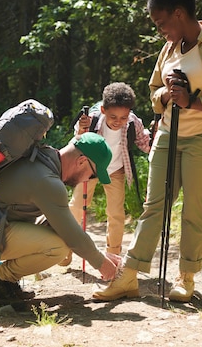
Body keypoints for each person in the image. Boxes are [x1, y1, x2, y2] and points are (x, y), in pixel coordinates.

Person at [92, 0, 202, 302]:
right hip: (167, 134)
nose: (160, 30)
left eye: (161, 22)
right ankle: (128, 277)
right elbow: (152, 93)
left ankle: (186, 278)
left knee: (194, 209)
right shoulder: (169, 48)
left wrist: (193, 101)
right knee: (154, 206)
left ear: (179, 13)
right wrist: (166, 93)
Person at [0, 132, 121, 308]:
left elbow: (63, 226)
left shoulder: (43, 158)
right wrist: (102, 264)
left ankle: (4, 279)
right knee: (57, 248)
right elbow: (72, 237)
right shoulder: (47, 181)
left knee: (55, 234)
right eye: (91, 175)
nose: (87, 181)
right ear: (81, 161)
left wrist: (100, 255)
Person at [60, 82, 151, 266]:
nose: (118, 121)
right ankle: (65, 249)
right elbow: (77, 142)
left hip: (115, 169)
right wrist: (81, 129)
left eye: (123, 117)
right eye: (113, 116)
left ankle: (113, 258)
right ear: (103, 110)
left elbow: (145, 143)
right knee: (77, 206)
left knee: (116, 213)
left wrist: (156, 136)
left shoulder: (133, 122)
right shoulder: (91, 119)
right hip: (89, 169)